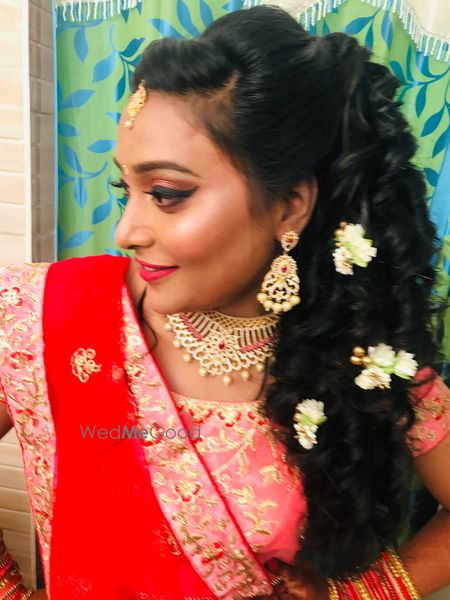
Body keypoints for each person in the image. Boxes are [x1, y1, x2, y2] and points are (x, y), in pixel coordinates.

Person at [0, 5, 449, 599]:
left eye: (167, 193)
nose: (126, 231)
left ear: (289, 205)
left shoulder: (364, 357)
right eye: (124, 188)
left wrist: (359, 594)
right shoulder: (45, 315)